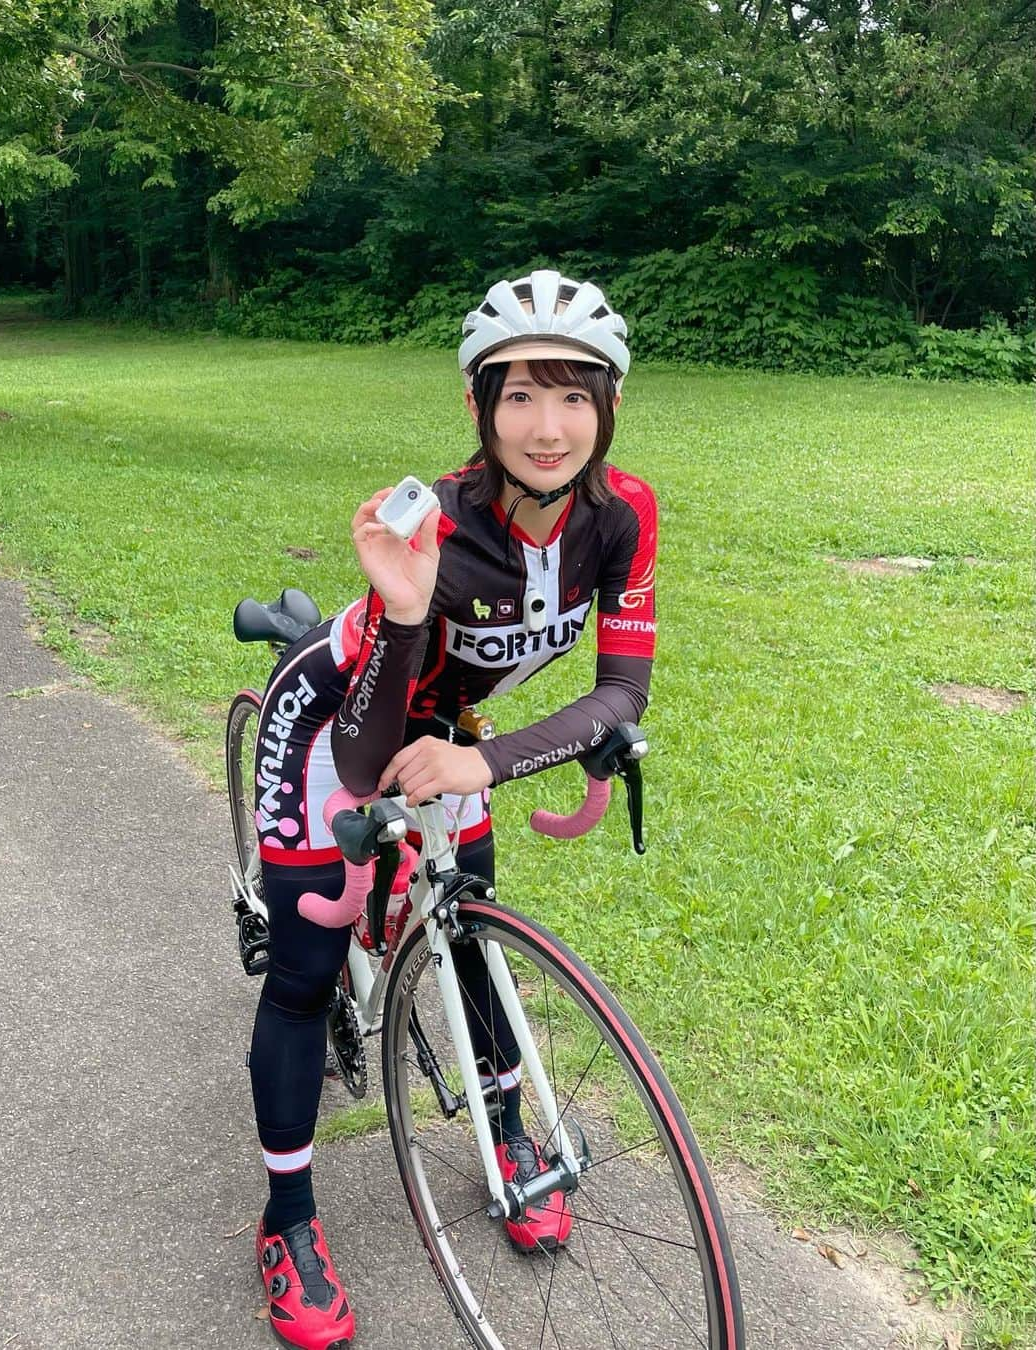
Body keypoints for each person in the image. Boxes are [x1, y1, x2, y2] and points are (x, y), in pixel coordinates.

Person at [248, 270, 658, 1349]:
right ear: (481, 409)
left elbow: (621, 692)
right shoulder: (440, 525)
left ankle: (511, 1136)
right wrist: (408, 606)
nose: (549, 425)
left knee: (468, 934)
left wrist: (490, 762)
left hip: (449, 738)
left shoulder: (622, 518)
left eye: (575, 394)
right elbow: (368, 744)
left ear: (610, 405)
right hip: (341, 725)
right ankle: (288, 1219)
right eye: (518, 395)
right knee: (306, 969)